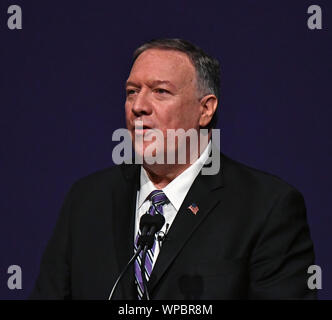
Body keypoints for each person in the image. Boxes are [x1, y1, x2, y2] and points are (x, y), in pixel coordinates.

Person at [31, 38, 316, 300]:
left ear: (205, 110)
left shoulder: (266, 207)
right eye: (132, 92)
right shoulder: (87, 200)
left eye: (160, 91)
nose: (138, 106)